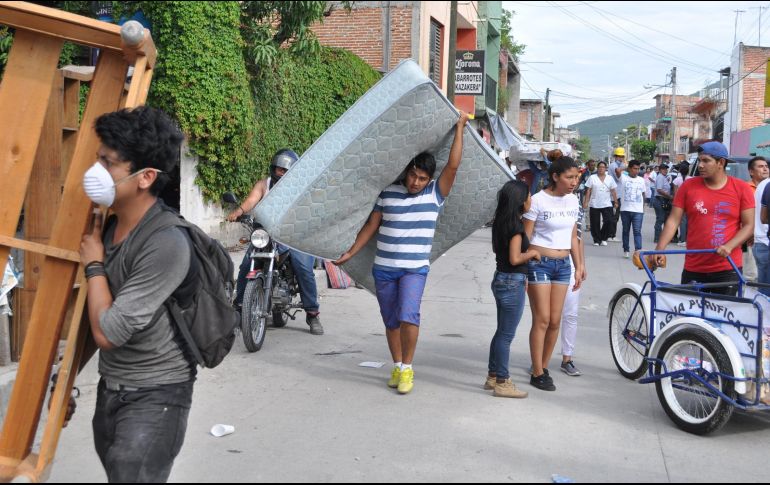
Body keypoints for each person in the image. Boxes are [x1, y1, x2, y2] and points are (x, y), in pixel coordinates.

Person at [77, 107, 192, 482]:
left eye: (109, 164)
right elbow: (93, 313)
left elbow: (109, 332)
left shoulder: (166, 243)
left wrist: (94, 265)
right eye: (99, 159)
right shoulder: (107, 230)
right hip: (112, 388)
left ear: (145, 177)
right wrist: (65, 381)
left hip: (156, 395)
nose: (96, 173)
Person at [334, 112, 471, 395]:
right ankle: (396, 365)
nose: (416, 183)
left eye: (422, 178)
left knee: (409, 315)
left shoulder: (434, 194)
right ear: (406, 171)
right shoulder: (388, 193)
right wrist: (350, 252)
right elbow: (371, 227)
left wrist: (460, 128)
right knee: (391, 320)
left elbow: (453, 167)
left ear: (429, 179)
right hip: (383, 269)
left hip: (414, 269)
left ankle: (407, 368)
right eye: (413, 175)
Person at [227, 149, 324, 335]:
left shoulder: (301, 188)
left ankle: (312, 313)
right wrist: (238, 212)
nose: (282, 173)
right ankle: (239, 308)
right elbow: (250, 201)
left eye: (286, 171)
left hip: (292, 236)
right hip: (266, 234)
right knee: (247, 264)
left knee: (303, 267)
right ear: (274, 169)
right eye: (280, 169)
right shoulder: (264, 184)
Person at [651, 142, 755, 296]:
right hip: (694, 268)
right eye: (699, 160)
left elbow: (749, 225)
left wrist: (729, 246)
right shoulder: (688, 186)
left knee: (723, 318)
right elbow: (673, 221)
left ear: (720, 162)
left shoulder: (741, 189)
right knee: (689, 318)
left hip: (728, 269)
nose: (700, 165)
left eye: (706, 161)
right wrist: (660, 249)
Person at [524, 156, 583, 391]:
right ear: (555, 176)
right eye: (569, 177)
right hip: (540, 263)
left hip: (563, 265)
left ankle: (543, 366)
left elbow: (573, 236)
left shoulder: (573, 201)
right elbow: (526, 237)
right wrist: (523, 267)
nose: (574, 182)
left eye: (576, 177)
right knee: (543, 319)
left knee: (555, 320)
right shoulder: (537, 201)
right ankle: (537, 372)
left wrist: (579, 266)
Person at [484, 180, 537, 398]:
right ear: (520, 201)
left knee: (501, 332)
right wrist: (532, 253)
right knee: (506, 335)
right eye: (528, 196)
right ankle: (503, 382)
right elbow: (515, 258)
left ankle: (493, 376)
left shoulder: (501, 221)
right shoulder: (515, 227)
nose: (530, 199)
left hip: (501, 279)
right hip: (511, 281)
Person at [745, 156, 769, 282]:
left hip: (761, 238)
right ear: (751, 171)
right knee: (753, 278)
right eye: (760, 166)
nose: (765, 169)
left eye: (766, 166)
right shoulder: (746, 188)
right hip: (758, 238)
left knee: (762, 280)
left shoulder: (763, 186)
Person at [583, 161, 618, 246]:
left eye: (603, 167)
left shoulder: (610, 178)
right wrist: (586, 202)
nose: (601, 169)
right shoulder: (592, 177)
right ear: (597, 168)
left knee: (609, 221)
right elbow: (588, 190)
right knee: (595, 223)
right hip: (594, 203)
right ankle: (596, 240)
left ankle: (603, 237)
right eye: (600, 167)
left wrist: (616, 202)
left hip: (607, 203)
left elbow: (613, 191)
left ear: (606, 168)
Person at [619, 160, 647, 259]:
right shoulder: (623, 178)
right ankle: (626, 249)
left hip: (638, 211)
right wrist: (626, 167)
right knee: (626, 231)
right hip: (625, 210)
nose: (637, 171)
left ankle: (638, 251)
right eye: (635, 168)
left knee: (637, 231)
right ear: (630, 169)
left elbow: (643, 194)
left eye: (638, 169)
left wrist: (642, 207)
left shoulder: (641, 180)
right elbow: (617, 170)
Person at [607, 147, 626, 242]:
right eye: (619, 156)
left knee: (615, 216)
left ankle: (610, 234)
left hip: (618, 195)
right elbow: (618, 175)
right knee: (613, 216)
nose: (621, 158)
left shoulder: (621, 165)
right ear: (615, 156)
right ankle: (611, 235)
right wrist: (625, 168)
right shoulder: (613, 166)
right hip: (613, 195)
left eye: (622, 156)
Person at [652, 164, 673, 244]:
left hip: (664, 200)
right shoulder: (660, 177)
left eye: (666, 169)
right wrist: (669, 196)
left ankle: (662, 237)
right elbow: (659, 190)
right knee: (660, 219)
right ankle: (657, 238)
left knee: (664, 219)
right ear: (660, 170)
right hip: (659, 199)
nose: (666, 170)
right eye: (664, 169)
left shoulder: (663, 177)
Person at [672, 161, 690, 247]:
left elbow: (676, 194)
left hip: (681, 203)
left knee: (682, 222)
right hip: (690, 203)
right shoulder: (691, 179)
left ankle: (683, 239)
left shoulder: (676, 180)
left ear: (680, 171)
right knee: (689, 221)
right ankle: (688, 239)